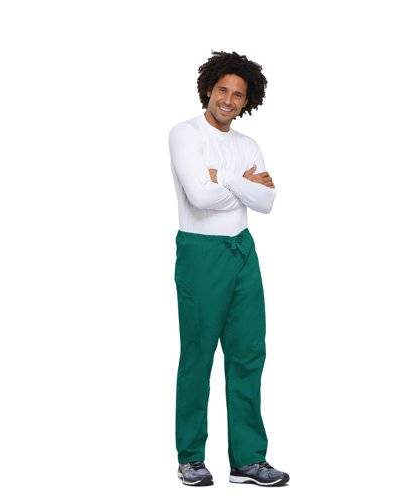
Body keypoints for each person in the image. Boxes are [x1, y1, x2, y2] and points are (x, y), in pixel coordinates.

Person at [168, 50, 289, 487]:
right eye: (222, 90)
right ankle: (190, 457)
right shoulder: (185, 134)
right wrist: (241, 183)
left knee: (248, 353)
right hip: (201, 253)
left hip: (243, 251)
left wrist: (219, 176)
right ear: (208, 89)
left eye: (238, 95)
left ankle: (248, 460)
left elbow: (267, 201)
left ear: (246, 100)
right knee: (198, 354)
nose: (228, 100)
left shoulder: (247, 145)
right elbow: (198, 197)